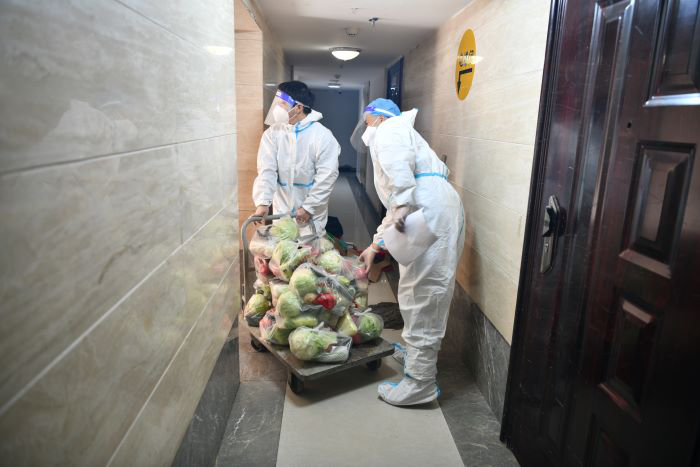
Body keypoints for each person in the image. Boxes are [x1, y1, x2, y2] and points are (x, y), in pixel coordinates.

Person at [357, 98, 465, 406]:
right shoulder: (400, 133)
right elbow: (397, 204)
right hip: (430, 206)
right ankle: (418, 361)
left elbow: (400, 192)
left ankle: (420, 382)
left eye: (367, 118)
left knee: (422, 293)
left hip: (424, 208)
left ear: (378, 117)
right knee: (419, 289)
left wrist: (404, 204)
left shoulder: (389, 129)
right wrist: (376, 245)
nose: (365, 125)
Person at [253, 81, 340, 233]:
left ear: (298, 107)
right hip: (282, 213)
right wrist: (263, 203)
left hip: (311, 216)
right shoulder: (272, 133)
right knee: (284, 245)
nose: (276, 107)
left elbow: (327, 176)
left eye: (282, 103)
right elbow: (266, 170)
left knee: (309, 246)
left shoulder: (322, 136)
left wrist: (309, 207)